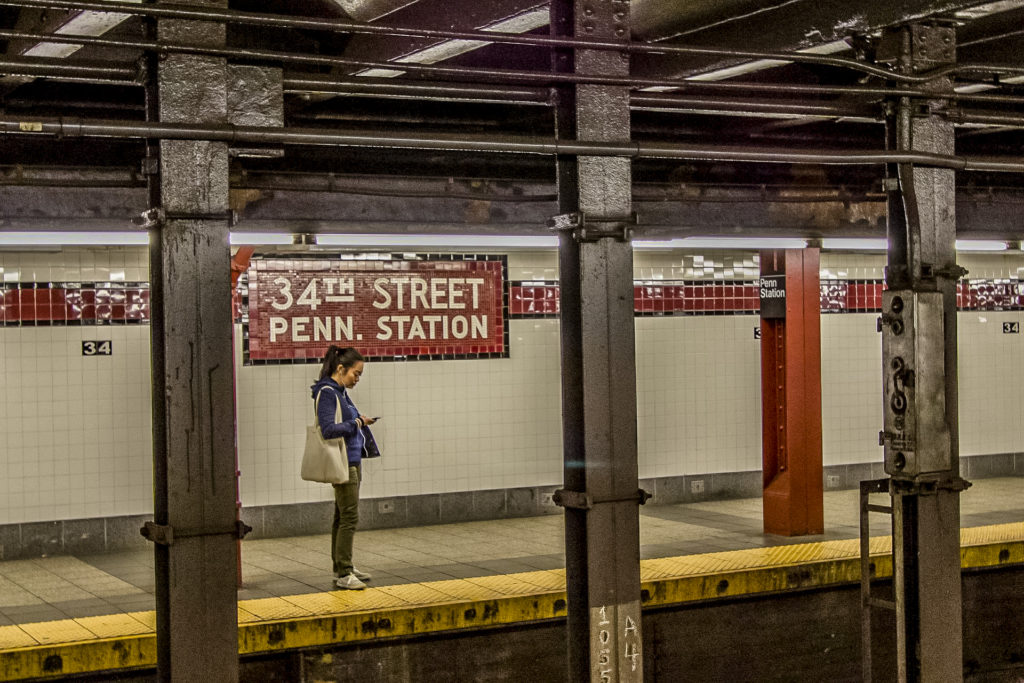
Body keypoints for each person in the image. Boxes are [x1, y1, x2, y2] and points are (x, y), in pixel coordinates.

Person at [310, 345, 381, 590]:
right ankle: (344, 572)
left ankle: (342, 565)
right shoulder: (329, 392)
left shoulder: (340, 391)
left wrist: (359, 421)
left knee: (342, 516)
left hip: (351, 459)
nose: (357, 379)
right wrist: (357, 422)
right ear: (341, 369)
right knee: (349, 517)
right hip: (344, 462)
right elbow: (329, 429)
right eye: (356, 374)